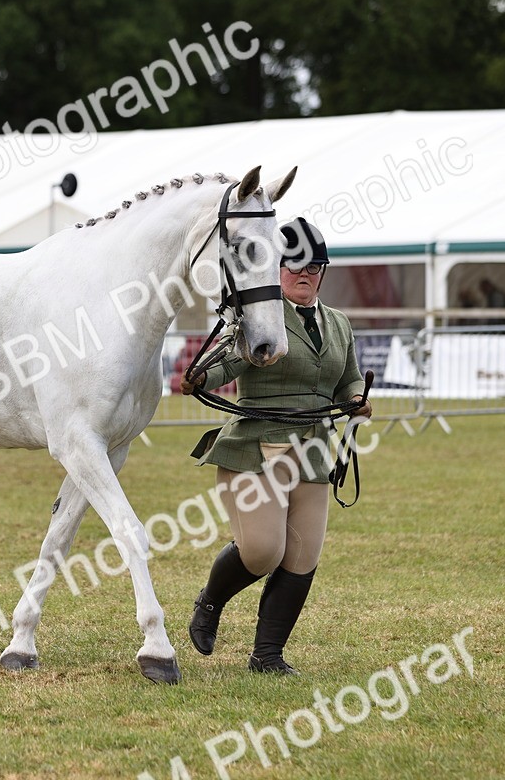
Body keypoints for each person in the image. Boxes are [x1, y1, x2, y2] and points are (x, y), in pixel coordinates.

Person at [181, 217, 370, 675]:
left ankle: (267, 656)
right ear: (275, 268)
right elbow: (228, 361)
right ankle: (208, 604)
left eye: (314, 267)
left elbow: (347, 379)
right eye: (294, 266)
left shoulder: (339, 324)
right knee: (263, 552)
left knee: (303, 556)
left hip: (314, 454)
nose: (305, 274)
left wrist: (358, 401)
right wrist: (203, 376)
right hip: (255, 448)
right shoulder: (259, 315)